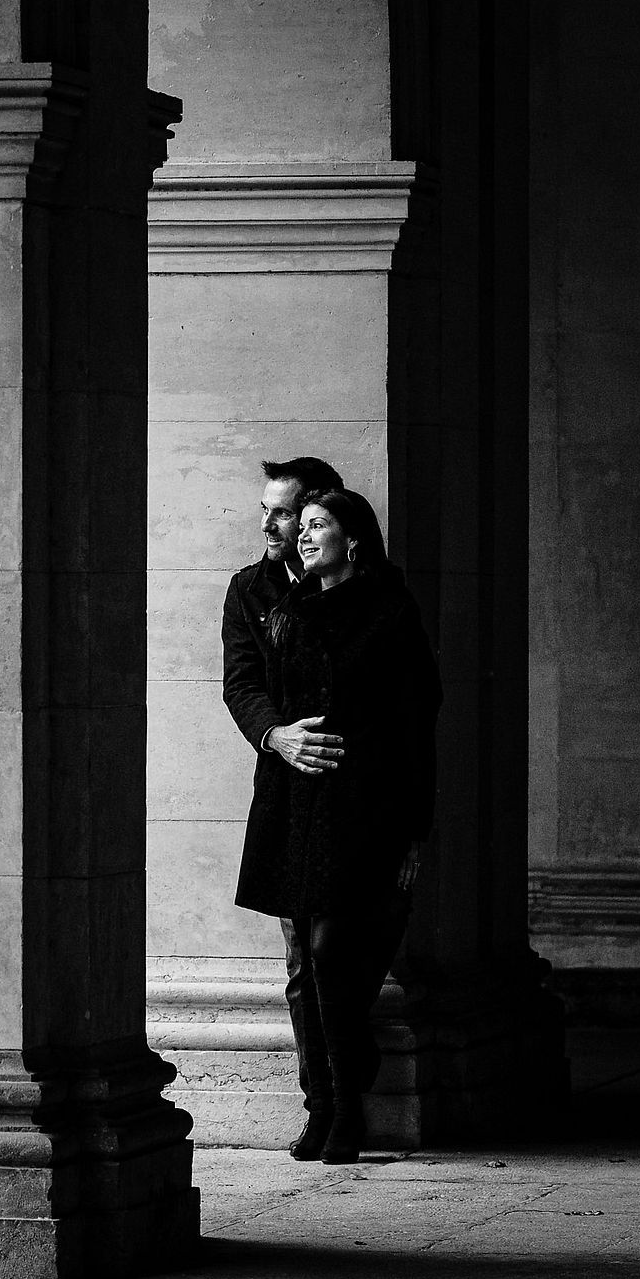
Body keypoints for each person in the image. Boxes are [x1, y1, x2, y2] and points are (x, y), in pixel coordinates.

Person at [221, 482, 440, 1164]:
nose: (301, 535)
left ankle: (346, 1108)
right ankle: (329, 1108)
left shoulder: (389, 611)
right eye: (299, 524)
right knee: (313, 964)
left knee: (329, 954)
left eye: (316, 525)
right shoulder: (284, 605)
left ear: (353, 538)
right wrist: (276, 736)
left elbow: (415, 722)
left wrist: (413, 828)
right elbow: (249, 685)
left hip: (363, 806)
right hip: (296, 806)